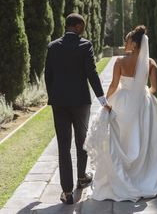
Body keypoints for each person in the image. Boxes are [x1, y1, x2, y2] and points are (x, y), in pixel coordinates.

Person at [84, 25, 157, 202]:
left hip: (122, 102)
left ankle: (121, 176)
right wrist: (142, 92)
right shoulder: (151, 63)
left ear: (134, 44)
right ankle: (140, 176)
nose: (125, 43)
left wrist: (106, 101)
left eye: (127, 41)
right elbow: (154, 88)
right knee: (141, 140)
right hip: (143, 104)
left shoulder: (120, 62)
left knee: (121, 138)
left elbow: (113, 85)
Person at [44, 13, 109, 205]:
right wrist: (102, 99)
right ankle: (81, 178)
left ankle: (66, 192)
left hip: (59, 103)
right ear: (78, 26)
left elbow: (48, 75)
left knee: (63, 146)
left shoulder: (53, 46)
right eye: (84, 26)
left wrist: (53, 97)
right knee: (82, 140)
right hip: (81, 102)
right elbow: (92, 73)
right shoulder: (85, 45)